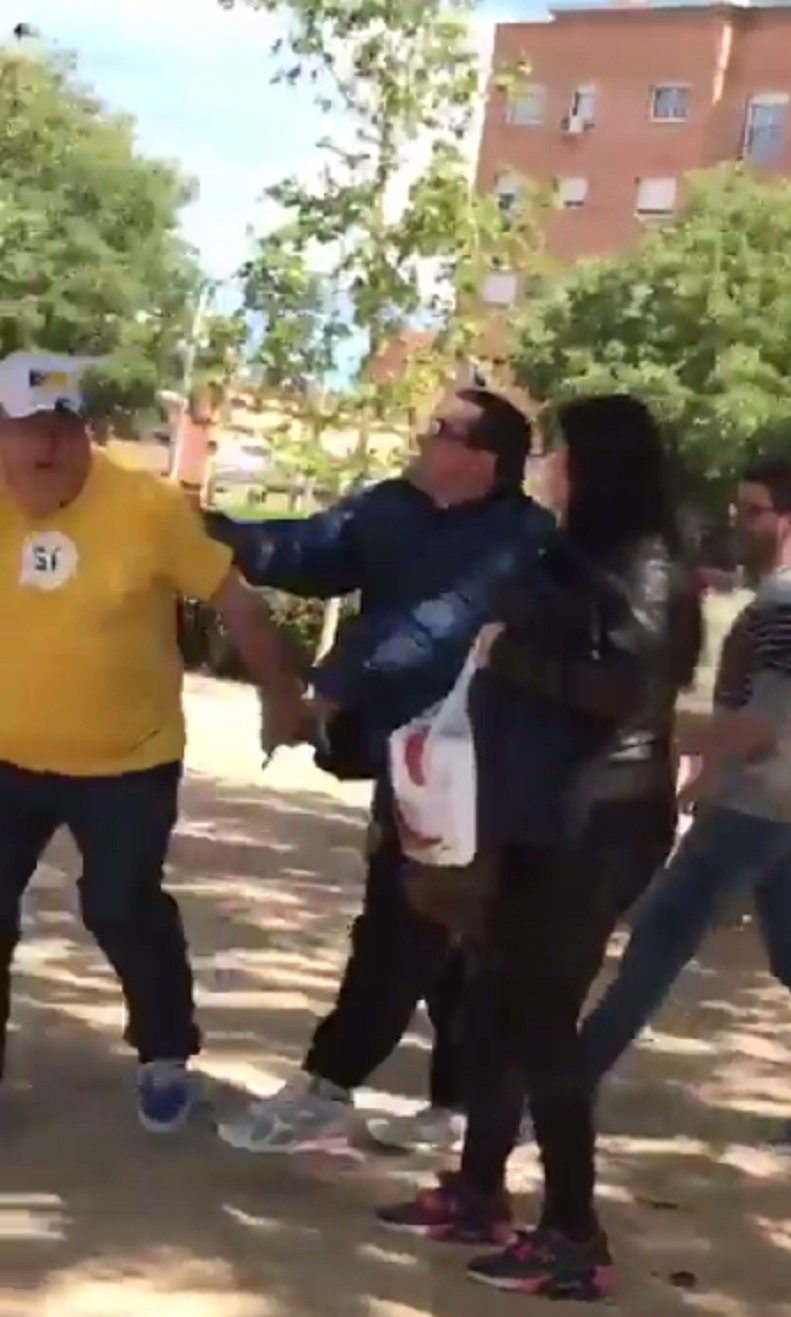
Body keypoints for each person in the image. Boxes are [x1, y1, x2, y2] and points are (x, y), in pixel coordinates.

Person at [377, 395, 703, 1303]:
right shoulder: (578, 554)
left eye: (562, 449)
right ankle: (480, 1190)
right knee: (491, 1004)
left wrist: (509, 655)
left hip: (596, 822)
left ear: (599, 463)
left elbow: (623, 690)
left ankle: (573, 1232)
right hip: (535, 813)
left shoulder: (645, 568)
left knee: (541, 1023)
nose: (552, 462)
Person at [210, 387, 555, 1154]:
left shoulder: (522, 538)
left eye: (440, 430)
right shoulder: (392, 507)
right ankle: (464, 1102)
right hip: (407, 758)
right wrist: (220, 537)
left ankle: (329, 1087)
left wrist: (335, 689)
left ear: (483, 457)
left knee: (403, 925)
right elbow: (311, 551)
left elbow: (441, 627)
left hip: (476, 765)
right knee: (451, 937)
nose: (422, 437)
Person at [0, 353, 306, 1131]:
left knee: (119, 906)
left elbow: (236, 603)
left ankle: (165, 1050)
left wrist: (279, 692)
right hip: (6, 755)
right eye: (28, 429)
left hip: (127, 759)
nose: (48, 447)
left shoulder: (147, 506)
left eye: (63, 428)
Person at [581, 457, 791, 1169]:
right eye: (737, 509)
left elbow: (762, 721)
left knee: (656, 942)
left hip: (758, 808)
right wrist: (690, 782)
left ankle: (565, 1083)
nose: (739, 523)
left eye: (753, 511)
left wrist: (663, 741)